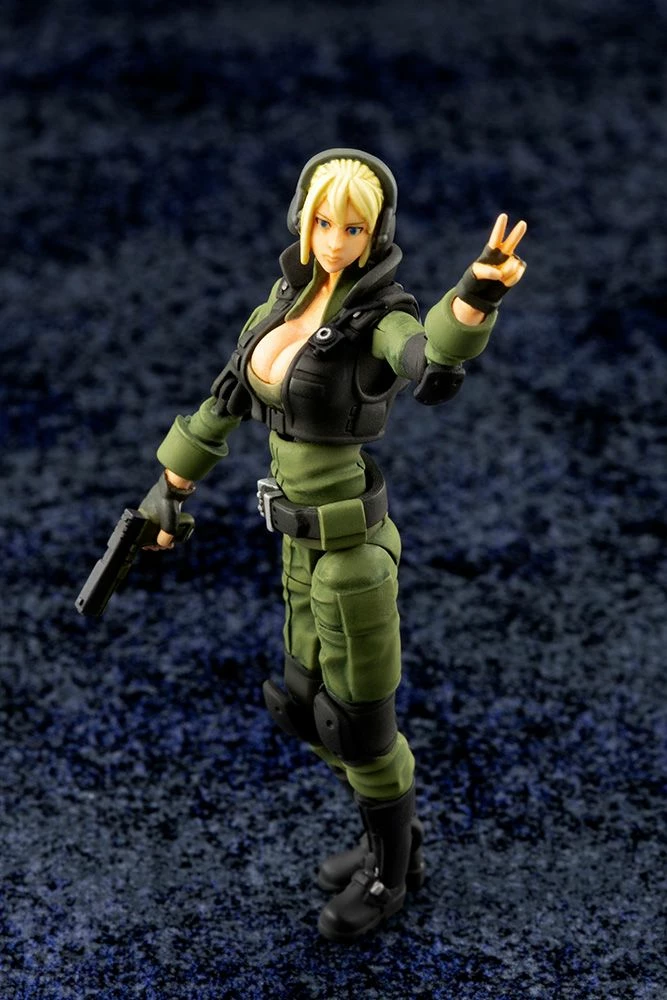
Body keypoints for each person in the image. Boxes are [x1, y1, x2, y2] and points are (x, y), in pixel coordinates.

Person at [138, 148, 527, 942]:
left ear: (375, 233)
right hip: (296, 545)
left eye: (354, 227)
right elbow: (223, 401)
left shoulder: (379, 318)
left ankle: (390, 870)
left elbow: (425, 355)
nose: (335, 239)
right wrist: (168, 491)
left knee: (357, 726)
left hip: (352, 558)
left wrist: (475, 295)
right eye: (323, 221)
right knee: (301, 706)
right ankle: (393, 833)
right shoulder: (282, 303)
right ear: (302, 218)